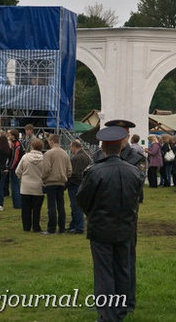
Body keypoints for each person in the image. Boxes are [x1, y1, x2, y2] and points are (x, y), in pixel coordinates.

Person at [77, 125, 144, 322]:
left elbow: (82, 200)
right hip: (125, 227)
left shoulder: (95, 172)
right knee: (123, 269)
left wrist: (94, 213)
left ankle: (107, 314)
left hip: (101, 228)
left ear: (104, 147)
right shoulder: (134, 172)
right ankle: (121, 310)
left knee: (104, 272)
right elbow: (135, 198)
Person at [15, 139, 50, 232]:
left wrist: (22, 178)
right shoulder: (44, 158)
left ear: (32, 146)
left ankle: (26, 227)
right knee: (36, 209)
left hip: (26, 186)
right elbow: (47, 172)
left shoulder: (25, 157)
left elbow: (18, 171)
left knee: (25, 209)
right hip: (38, 186)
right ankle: (36, 226)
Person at [42, 134, 72, 235]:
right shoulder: (65, 154)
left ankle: (51, 228)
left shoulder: (48, 154)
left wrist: (44, 178)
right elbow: (69, 170)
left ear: (51, 141)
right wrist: (65, 177)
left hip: (51, 182)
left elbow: (46, 169)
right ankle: (62, 228)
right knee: (61, 206)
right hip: (61, 182)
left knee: (51, 206)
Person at [67, 140, 90, 234]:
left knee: (76, 206)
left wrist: (67, 181)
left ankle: (79, 227)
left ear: (74, 147)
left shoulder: (76, 158)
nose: (70, 150)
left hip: (75, 184)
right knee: (77, 206)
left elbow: (75, 173)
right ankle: (73, 225)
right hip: (83, 184)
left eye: (70, 148)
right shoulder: (86, 156)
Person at [8, 129, 24, 209]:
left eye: (10, 135)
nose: (9, 136)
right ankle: (16, 203)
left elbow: (15, 158)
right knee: (15, 186)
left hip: (15, 167)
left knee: (15, 186)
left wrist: (10, 167)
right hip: (15, 167)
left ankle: (17, 204)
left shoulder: (16, 144)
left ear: (13, 136)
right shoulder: (14, 143)